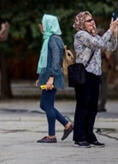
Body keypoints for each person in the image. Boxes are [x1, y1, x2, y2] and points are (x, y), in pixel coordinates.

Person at [72, 11, 118, 148]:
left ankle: (89, 135)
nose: (92, 22)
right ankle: (79, 137)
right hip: (84, 75)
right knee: (83, 106)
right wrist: (110, 29)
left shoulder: (95, 36)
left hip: (95, 75)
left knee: (93, 107)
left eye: (92, 19)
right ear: (81, 23)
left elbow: (110, 47)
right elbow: (98, 44)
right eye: (88, 20)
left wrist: (115, 34)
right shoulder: (81, 35)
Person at [35, 14, 73, 143]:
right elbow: (47, 60)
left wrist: (51, 78)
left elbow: (56, 60)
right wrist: (41, 77)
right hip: (48, 76)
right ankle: (66, 125)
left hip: (52, 77)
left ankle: (52, 135)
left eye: (44, 23)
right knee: (45, 104)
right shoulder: (49, 38)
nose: (42, 25)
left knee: (47, 105)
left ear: (49, 25)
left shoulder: (53, 39)